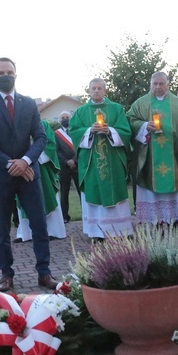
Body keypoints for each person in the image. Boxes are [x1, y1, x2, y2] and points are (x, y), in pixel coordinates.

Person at [0, 57, 57, 292]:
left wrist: (25, 160)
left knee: (39, 224)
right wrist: (10, 164)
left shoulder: (29, 103)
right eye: (0, 72)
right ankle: (6, 275)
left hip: (29, 173)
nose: (5, 75)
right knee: (1, 227)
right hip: (1, 176)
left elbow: (40, 137)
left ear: (16, 75)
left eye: (9, 71)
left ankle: (44, 272)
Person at [127, 72, 178, 227]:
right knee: (150, 187)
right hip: (150, 155)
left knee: (176, 187)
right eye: (155, 84)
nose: (158, 87)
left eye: (161, 84)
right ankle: (153, 220)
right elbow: (130, 121)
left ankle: (177, 220)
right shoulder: (141, 104)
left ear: (168, 85)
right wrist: (145, 126)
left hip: (175, 156)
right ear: (150, 85)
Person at [70, 78, 133, 239]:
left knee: (115, 192)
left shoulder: (117, 109)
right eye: (93, 88)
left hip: (113, 160)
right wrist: (89, 131)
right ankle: (97, 232)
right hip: (91, 163)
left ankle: (120, 230)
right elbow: (74, 132)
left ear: (105, 90)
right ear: (89, 91)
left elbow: (126, 131)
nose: (96, 91)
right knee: (94, 192)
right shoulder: (81, 111)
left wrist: (110, 131)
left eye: (99, 88)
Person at [16, 119, 66, 241]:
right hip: (21, 167)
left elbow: (50, 144)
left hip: (41, 167)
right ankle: (25, 233)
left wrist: (30, 158)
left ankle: (52, 231)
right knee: (23, 198)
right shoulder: (14, 123)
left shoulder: (42, 124)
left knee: (47, 195)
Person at [55, 111, 80, 223]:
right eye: (63, 117)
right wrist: (66, 161)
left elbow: (80, 146)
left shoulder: (76, 131)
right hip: (64, 167)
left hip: (78, 165)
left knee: (82, 191)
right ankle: (65, 216)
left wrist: (74, 160)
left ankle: (86, 214)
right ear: (59, 121)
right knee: (64, 192)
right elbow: (56, 150)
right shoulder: (56, 134)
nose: (65, 119)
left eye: (67, 117)